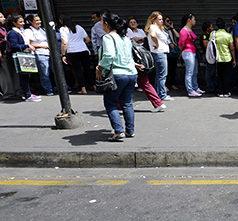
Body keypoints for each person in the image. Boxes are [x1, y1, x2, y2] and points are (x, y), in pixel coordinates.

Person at [95, 12, 138, 142]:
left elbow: (109, 56)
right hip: (131, 73)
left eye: (102, 22)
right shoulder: (125, 38)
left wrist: (99, 68)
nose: (101, 24)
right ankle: (130, 131)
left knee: (110, 103)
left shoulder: (108, 37)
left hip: (117, 75)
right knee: (127, 103)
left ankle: (119, 131)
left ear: (106, 24)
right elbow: (128, 56)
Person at [126, 17, 165, 113]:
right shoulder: (128, 38)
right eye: (131, 22)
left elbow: (144, 39)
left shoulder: (124, 39)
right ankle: (158, 103)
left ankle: (120, 106)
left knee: (124, 86)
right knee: (145, 83)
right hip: (139, 61)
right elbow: (141, 39)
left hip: (133, 63)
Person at [7, 15, 40, 102]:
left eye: (23, 21)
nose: (23, 23)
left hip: (26, 54)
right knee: (24, 76)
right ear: (14, 23)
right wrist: (27, 46)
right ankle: (27, 95)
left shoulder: (21, 31)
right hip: (20, 56)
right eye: (20, 22)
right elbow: (14, 46)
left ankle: (28, 93)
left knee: (27, 75)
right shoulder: (13, 33)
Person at [145, 11, 173, 101]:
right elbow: (153, 35)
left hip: (159, 53)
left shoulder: (157, 27)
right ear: (154, 20)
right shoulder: (153, 27)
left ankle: (159, 93)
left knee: (159, 74)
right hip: (159, 53)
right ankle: (162, 94)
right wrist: (156, 44)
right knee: (162, 75)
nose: (162, 21)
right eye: (159, 19)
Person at [60, 14, 91, 94]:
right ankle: (93, 85)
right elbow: (87, 39)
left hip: (73, 51)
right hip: (84, 50)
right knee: (87, 68)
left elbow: (64, 43)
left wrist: (63, 54)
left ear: (61, 21)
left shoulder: (63, 29)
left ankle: (83, 88)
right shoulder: (79, 27)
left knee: (78, 70)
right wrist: (81, 44)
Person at [25, 15, 53, 96]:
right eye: (36, 20)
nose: (39, 22)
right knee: (45, 73)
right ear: (31, 21)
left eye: (39, 20)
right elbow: (30, 44)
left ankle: (58, 88)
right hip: (40, 53)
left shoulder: (42, 29)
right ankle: (48, 89)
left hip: (49, 52)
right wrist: (42, 46)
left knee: (54, 71)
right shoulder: (29, 30)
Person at [179, 13, 205, 97]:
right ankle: (190, 90)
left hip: (193, 52)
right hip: (188, 52)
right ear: (189, 20)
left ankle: (195, 87)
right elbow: (181, 44)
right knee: (189, 72)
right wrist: (182, 52)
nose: (195, 21)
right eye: (193, 19)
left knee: (195, 71)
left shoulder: (190, 29)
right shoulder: (184, 30)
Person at [0, 12, 20, 99]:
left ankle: (16, 90)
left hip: (7, 52)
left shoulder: (3, 28)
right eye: (1, 17)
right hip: (2, 53)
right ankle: (8, 93)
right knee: (5, 73)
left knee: (12, 72)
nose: (4, 18)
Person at [214, 18, 236, 97]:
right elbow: (232, 48)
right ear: (225, 26)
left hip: (218, 58)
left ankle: (220, 91)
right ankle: (226, 91)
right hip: (227, 57)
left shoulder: (214, 34)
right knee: (226, 75)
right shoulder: (228, 35)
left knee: (219, 75)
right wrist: (234, 60)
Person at [163, 15, 180, 92]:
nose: (169, 22)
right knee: (167, 68)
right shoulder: (162, 30)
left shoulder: (170, 29)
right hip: (167, 51)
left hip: (174, 51)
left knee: (173, 68)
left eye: (170, 21)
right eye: (167, 21)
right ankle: (166, 85)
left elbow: (178, 36)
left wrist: (172, 28)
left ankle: (172, 84)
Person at [200, 21, 217, 93]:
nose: (212, 28)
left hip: (211, 55)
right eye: (211, 27)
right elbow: (205, 45)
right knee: (209, 71)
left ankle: (213, 85)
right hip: (208, 56)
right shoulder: (204, 35)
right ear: (207, 28)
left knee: (213, 71)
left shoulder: (210, 34)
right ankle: (210, 87)